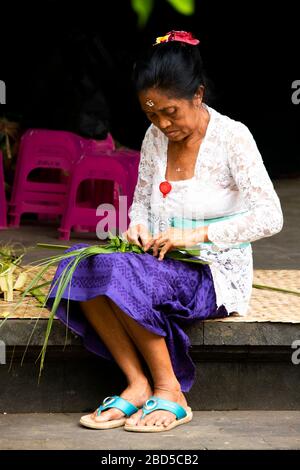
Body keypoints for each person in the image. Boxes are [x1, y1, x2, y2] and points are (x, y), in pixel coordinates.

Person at [46, 30, 283, 433]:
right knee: (76, 265)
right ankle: (137, 383)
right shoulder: (155, 137)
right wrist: (136, 226)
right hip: (157, 260)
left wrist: (194, 236)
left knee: (121, 274)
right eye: (151, 114)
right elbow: (140, 200)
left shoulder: (232, 137)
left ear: (198, 94)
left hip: (212, 271)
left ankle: (170, 389)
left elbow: (270, 216)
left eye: (170, 112)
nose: (162, 123)